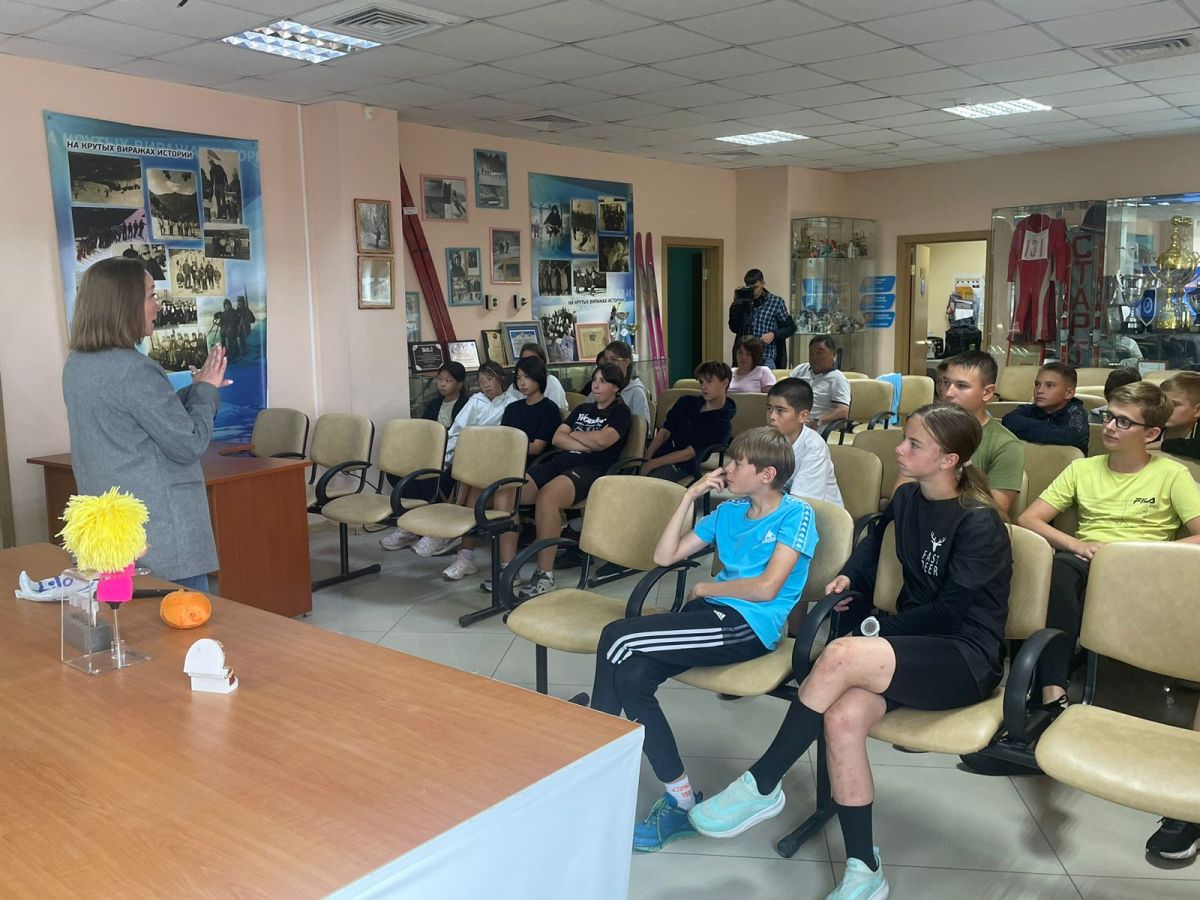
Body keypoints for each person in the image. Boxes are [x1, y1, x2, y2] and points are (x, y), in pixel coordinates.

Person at [689, 405, 1012, 900]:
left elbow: (950, 614)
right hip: (911, 650)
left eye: (914, 445)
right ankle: (865, 867)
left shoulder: (980, 522)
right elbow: (874, 538)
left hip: (964, 657)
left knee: (839, 654)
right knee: (840, 719)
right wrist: (850, 576)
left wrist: (877, 632)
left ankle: (763, 782)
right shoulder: (908, 497)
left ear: (949, 460)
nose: (899, 450)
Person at [582, 427, 816, 852]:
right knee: (631, 677)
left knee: (616, 636)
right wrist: (688, 497)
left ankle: (591, 763)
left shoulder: (796, 515)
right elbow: (664, 556)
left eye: (737, 463)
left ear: (766, 474)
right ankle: (680, 800)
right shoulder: (730, 512)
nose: (727, 469)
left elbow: (767, 588)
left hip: (748, 625)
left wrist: (710, 587)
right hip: (708, 617)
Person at [964, 382, 1200, 776]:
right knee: (1058, 570)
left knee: (1064, 573)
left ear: (1151, 434)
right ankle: (1052, 695)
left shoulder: (1172, 475)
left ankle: (1052, 701)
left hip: (1143, 572)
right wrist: (1077, 543)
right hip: (1089, 560)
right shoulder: (1082, 468)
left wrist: (1142, 554)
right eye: (1107, 416)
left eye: (1123, 422)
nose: (1109, 426)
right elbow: (1030, 519)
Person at [62, 257, 230, 589]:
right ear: (124, 304)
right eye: (151, 295)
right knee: (181, 616)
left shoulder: (76, 365)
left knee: (123, 615)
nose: (158, 305)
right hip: (160, 536)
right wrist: (206, 392)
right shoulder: (135, 369)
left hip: (112, 534)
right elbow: (189, 443)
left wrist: (197, 389)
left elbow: (136, 416)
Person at [516, 362, 633, 599]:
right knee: (510, 490)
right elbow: (558, 438)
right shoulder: (582, 409)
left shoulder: (621, 413)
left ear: (616, 387)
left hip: (591, 469)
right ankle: (507, 566)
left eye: (603, 381)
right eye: (595, 380)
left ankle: (545, 576)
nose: (596, 385)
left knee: (548, 496)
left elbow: (603, 442)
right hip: (561, 462)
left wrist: (576, 435)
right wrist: (587, 441)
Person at [443, 356, 561, 581]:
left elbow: (537, 447)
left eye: (527, 377)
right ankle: (465, 556)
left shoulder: (549, 409)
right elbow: (502, 440)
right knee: (473, 482)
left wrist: (510, 446)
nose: (522, 382)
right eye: (519, 378)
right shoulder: (514, 408)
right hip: (505, 463)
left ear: (539, 378)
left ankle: (503, 564)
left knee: (500, 491)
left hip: (530, 467)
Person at [383, 361, 515, 557]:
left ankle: (442, 532)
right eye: (481, 381)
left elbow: (507, 437)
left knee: (453, 478)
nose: (486, 385)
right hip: (460, 451)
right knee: (413, 474)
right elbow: (456, 431)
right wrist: (442, 455)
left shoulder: (511, 403)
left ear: (501, 379)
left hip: (488, 456)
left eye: (490, 379)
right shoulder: (476, 400)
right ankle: (415, 528)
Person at [901, 351, 1023, 518]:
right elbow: (901, 498)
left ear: (987, 392)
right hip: (917, 520)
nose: (948, 393)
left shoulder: (1006, 445)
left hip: (962, 527)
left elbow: (993, 514)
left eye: (961, 386)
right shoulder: (925, 430)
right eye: (945, 383)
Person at [639, 361, 734, 482]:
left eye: (709, 381)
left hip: (683, 466)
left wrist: (652, 464)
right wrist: (646, 459)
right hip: (661, 453)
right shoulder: (686, 402)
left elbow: (688, 453)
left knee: (648, 483)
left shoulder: (722, 424)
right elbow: (664, 431)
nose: (703, 387)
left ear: (725, 382)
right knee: (629, 474)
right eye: (701, 382)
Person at [766, 378, 842, 507]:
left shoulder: (814, 449)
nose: (771, 416)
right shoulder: (765, 438)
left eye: (780, 410)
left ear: (803, 416)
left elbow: (799, 506)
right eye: (769, 408)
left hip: (815, 515)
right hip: (777, 507)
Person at [1001, 361, 1089, 454]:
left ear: (1069, 393)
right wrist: (1054, 429)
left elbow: (1070, 437)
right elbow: (1008, 420)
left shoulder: (1076, 413)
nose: (1039, 390)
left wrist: (1026, 429)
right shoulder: (1031, 409)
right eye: (1037, 384)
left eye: (1049, 385)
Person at [728, 269, 795, 369]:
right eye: (750, 288)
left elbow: (790, 327)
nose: (753, 291)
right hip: (745, 356)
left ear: (763, 284)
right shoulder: (743, 302)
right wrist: (736, 307)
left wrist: (774, 334)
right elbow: (734, 328)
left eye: (756, 287)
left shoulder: (776, 302)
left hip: (766, 356)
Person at [789, 335, 852, 429]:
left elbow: (843, 410)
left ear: (833, 354)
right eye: (811, 353)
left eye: (820, 353)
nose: (814, 358)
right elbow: (784, 393)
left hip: (815, 426)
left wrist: (818, 420)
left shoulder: (838, 379)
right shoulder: (800, 370)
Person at [586, 340, 650, 426]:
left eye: (613, 359)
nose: (608, 364)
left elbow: (643, 427)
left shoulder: (636, 392)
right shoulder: (597, 389)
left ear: (627, 362)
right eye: (605, 359)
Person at [504, 342, 567, 413]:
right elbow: (506, 401)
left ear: (543, 362)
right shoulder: (519, 382)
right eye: (524, 360)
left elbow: (557, 410)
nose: (528, 364)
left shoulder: (552, 382)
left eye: (533, 360)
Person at [1160, 371, 1200, 459]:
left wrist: (1163, 444)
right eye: (1162, 403)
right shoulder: (1151, 426)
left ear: (1198, 410)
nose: (1165, 408)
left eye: (1175, 405)